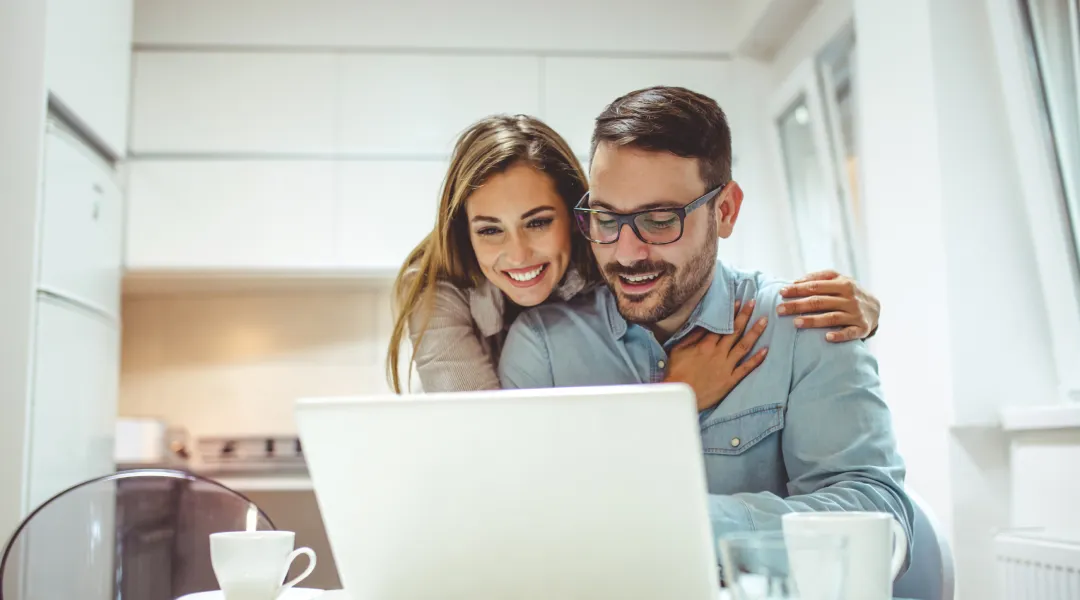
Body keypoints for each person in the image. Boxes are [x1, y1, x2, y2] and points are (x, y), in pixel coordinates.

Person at [496, 87, 913, 549]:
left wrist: (682, 523)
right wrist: (664, 409)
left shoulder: (804, 328)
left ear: (726, 210)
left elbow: (880, 518)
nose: (628, 253)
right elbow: (522, 526)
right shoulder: (544, 348)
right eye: (606, 218)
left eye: (659, 220)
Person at [385, 115, 882, 407]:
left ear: (577, 214)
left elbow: (698, 271)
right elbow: (486, 447)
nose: (517, 254)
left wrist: (851, 305)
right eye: (489, 230)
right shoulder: (436, 290)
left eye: (538, 222)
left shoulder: (612, 254)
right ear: (463, 232)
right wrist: (672, 397)